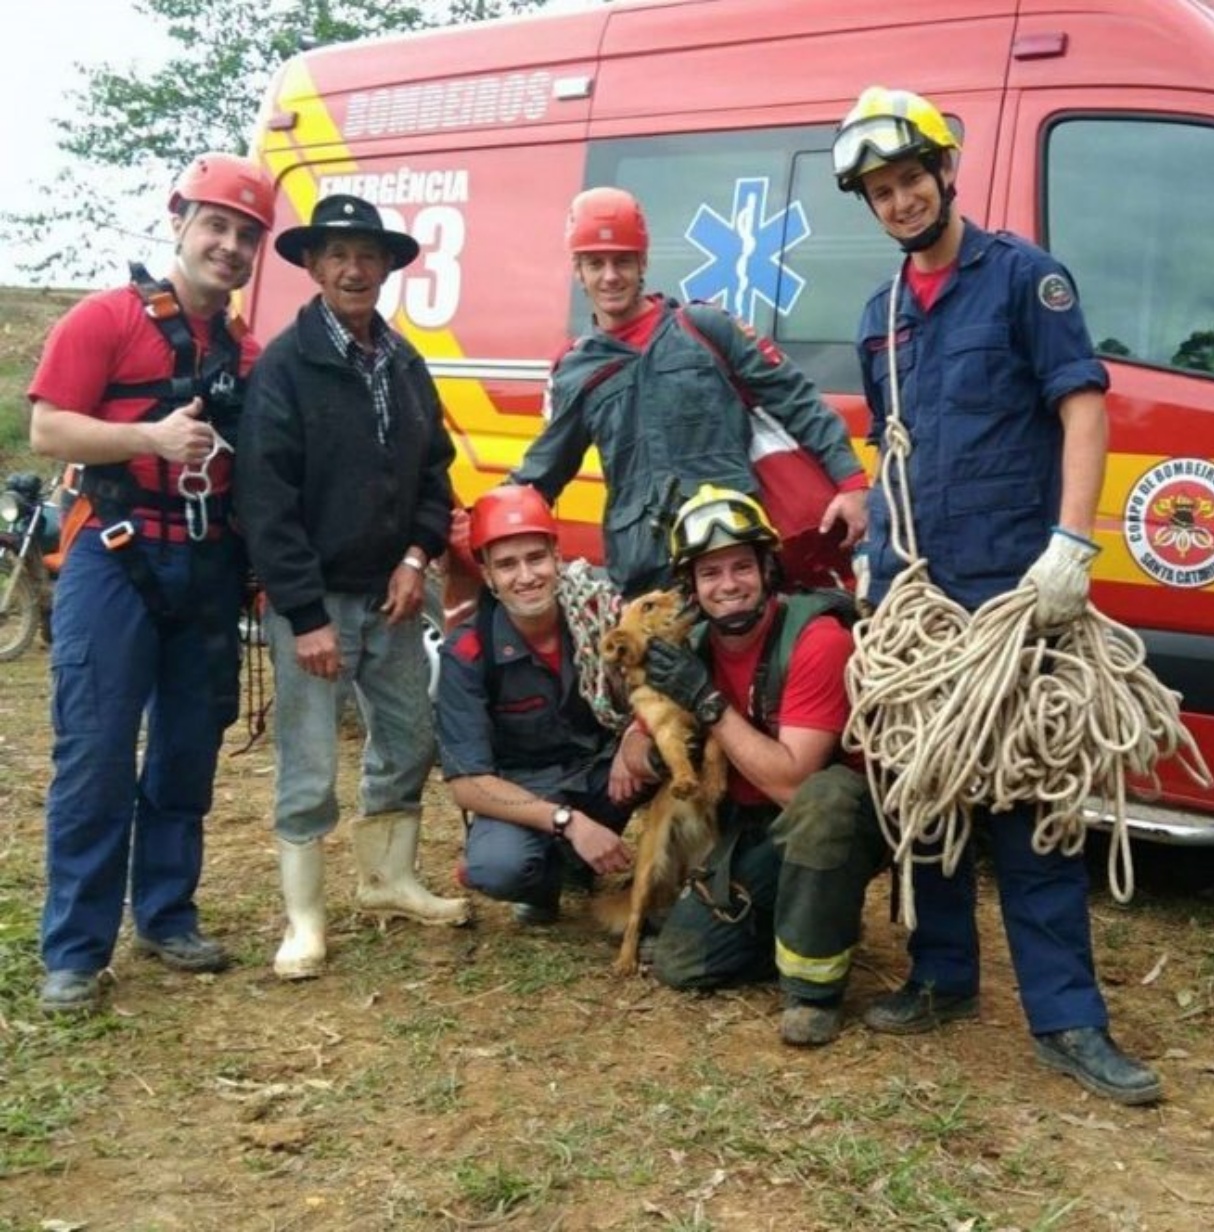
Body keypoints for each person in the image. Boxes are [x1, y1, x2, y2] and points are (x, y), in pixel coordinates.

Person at [835, 85, 1161, 1103]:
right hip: (916, 599)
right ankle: (940, 976)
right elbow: (893, 444)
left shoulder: (1026, 280)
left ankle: (1067, 1018)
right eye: (878, 191)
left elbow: (1081, 407)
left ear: (944, 171)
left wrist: (1071, 542)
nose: (896, 202)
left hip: (1015, 595)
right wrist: (870, 547)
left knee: (1028, 812)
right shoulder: (878, 314)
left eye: (907, 180)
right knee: (924, 800)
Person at [27, 153, 276, 1014]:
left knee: (185, 752)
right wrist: (152, 443)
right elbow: (47, 428)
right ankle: (74, 949)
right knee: (94, 754)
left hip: (209, 563)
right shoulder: (106, 319)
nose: (231, 246)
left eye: (248, 235)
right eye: (217, 226)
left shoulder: (247, 353)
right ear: (179, 221)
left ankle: (166, 913)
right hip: (116, 552)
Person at [234, 193, 468, 981]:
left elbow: (435, 474)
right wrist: (304, 615)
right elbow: (264, 500)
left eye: (368, 255)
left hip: (392, 595)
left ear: (388, 268)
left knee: (409, 737)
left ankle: (387, 879)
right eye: (337, 254)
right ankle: (305, 920)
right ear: (312, 266)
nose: (354, 268)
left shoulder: (404, 363)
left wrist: (415, 557)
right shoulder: (284, 366)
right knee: (307, 762)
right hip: (317, 605)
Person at [622, 484, 887, 1047]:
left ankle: (814, 991)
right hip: (749, 829)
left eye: (741, 566)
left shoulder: (817, 640)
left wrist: (709, 705)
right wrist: (652, 752)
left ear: (768, 570)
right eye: (709, 573)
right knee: (682, 964)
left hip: (825, 819)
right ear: (690, 588)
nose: (728, 586)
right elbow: (631, 752)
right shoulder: (687, 646)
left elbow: (795, 783)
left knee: (826, 801)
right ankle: (798, 917)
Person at [509, 185, 869, 597]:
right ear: (578, 270)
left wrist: (852, 482)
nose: (610, 276)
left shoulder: (705, 328)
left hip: (733, 558)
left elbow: (798, 401)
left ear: (642, 261)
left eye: (623, 261)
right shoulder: (575, 371)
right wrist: (480, 524)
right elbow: (540, 474)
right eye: (595, 263)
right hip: (648, 574)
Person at [437, 485, 640, 924]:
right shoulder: (469, 651)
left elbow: (659, 682)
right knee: (497, 867)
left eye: (535, 558)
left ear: (556, 554)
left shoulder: (601, 611)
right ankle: (551, 875)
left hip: (604, 771)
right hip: (528, 787)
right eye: (507, 565)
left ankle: (678, 877)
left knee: (672, 753)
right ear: (487, 575)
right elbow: (468, 784)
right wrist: (570, 822)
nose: (526, 576)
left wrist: (637, 734)